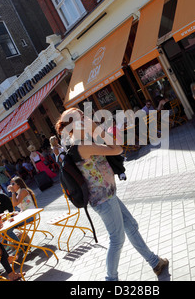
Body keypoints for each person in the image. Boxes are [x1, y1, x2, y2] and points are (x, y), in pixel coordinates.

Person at [55, 108, 169, 281]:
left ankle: (155, 263)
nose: (87, 117)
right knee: (117, 239)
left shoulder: (80, 141)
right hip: (103, 200)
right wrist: (96, 128)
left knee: (131, 225)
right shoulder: (81, 145)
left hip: (107, 195)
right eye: (83, 116)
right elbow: (116, 149)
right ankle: (111, 280)